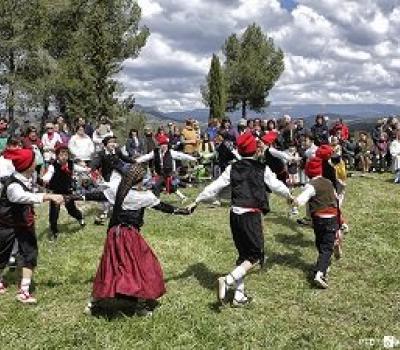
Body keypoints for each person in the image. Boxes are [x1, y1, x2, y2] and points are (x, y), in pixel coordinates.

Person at [190, 132, 292, 307]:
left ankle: (239, 296)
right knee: (255, 256)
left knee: (243, 255)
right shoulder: (262, 169)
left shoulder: (232, 168)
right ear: (254, 150)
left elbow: (215, 186)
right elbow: (276, 186)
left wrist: (197, 199)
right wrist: (289, 195)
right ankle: (227, 281)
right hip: (250, 215)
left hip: (234, 214)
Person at [78, 164, 192, 315]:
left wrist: (76, 197)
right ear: (138, 181)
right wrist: (183, 211)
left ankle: (93, 303)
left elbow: (99, 195)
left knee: (111, 268)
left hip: (114, 235)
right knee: (142, 267)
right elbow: (163, 207)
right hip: (129, 236)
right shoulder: (142, 196)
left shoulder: (119, 191)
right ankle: (140, 305)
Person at [0, 148, 63, 303]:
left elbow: (42, 182)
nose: (37, 161)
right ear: (28, 165)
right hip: (7, 224)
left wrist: (52, 170)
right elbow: (22, 197)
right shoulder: (13, 184)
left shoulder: (30, 176)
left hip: (24, 223)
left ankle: (24, 291)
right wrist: (48, 196)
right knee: (2, 255)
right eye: (34, 159)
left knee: (30, 254)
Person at [293, 156, 339, 289]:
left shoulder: (310, 185)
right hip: (331, 218)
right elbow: (336, 198)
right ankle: (320, 273)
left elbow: (301, 200)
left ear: (307, 172)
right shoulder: (329, 182)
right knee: (327, 247)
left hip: (318, 220)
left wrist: (293, 202)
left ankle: (323, 265)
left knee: (320, 242)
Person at [42, 144, 86, 239]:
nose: (64, 157)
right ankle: (54, 231)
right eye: (61, 154)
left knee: (71, 209)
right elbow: (48, 175)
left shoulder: (70, 163)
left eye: (66, 154)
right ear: (57, 155)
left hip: (67, 191)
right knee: (54, 213)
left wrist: (87, 169)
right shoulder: (53, 166)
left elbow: (79, 168)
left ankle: (80, 217)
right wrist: (44, 179)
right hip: (56, 192)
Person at [135, 134, 196, 201]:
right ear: (159, 146)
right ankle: (157, 200)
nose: (164, 146)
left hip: (168, 174)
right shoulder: (155, 152)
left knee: (163, 186)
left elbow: (182, 156)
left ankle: (157, 200)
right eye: (162, 145)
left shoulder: (171, 152)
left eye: (165, 144)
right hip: (160, 174)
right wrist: (136, 161)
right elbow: (146, 157)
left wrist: (193, 158)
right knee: (158, 186)